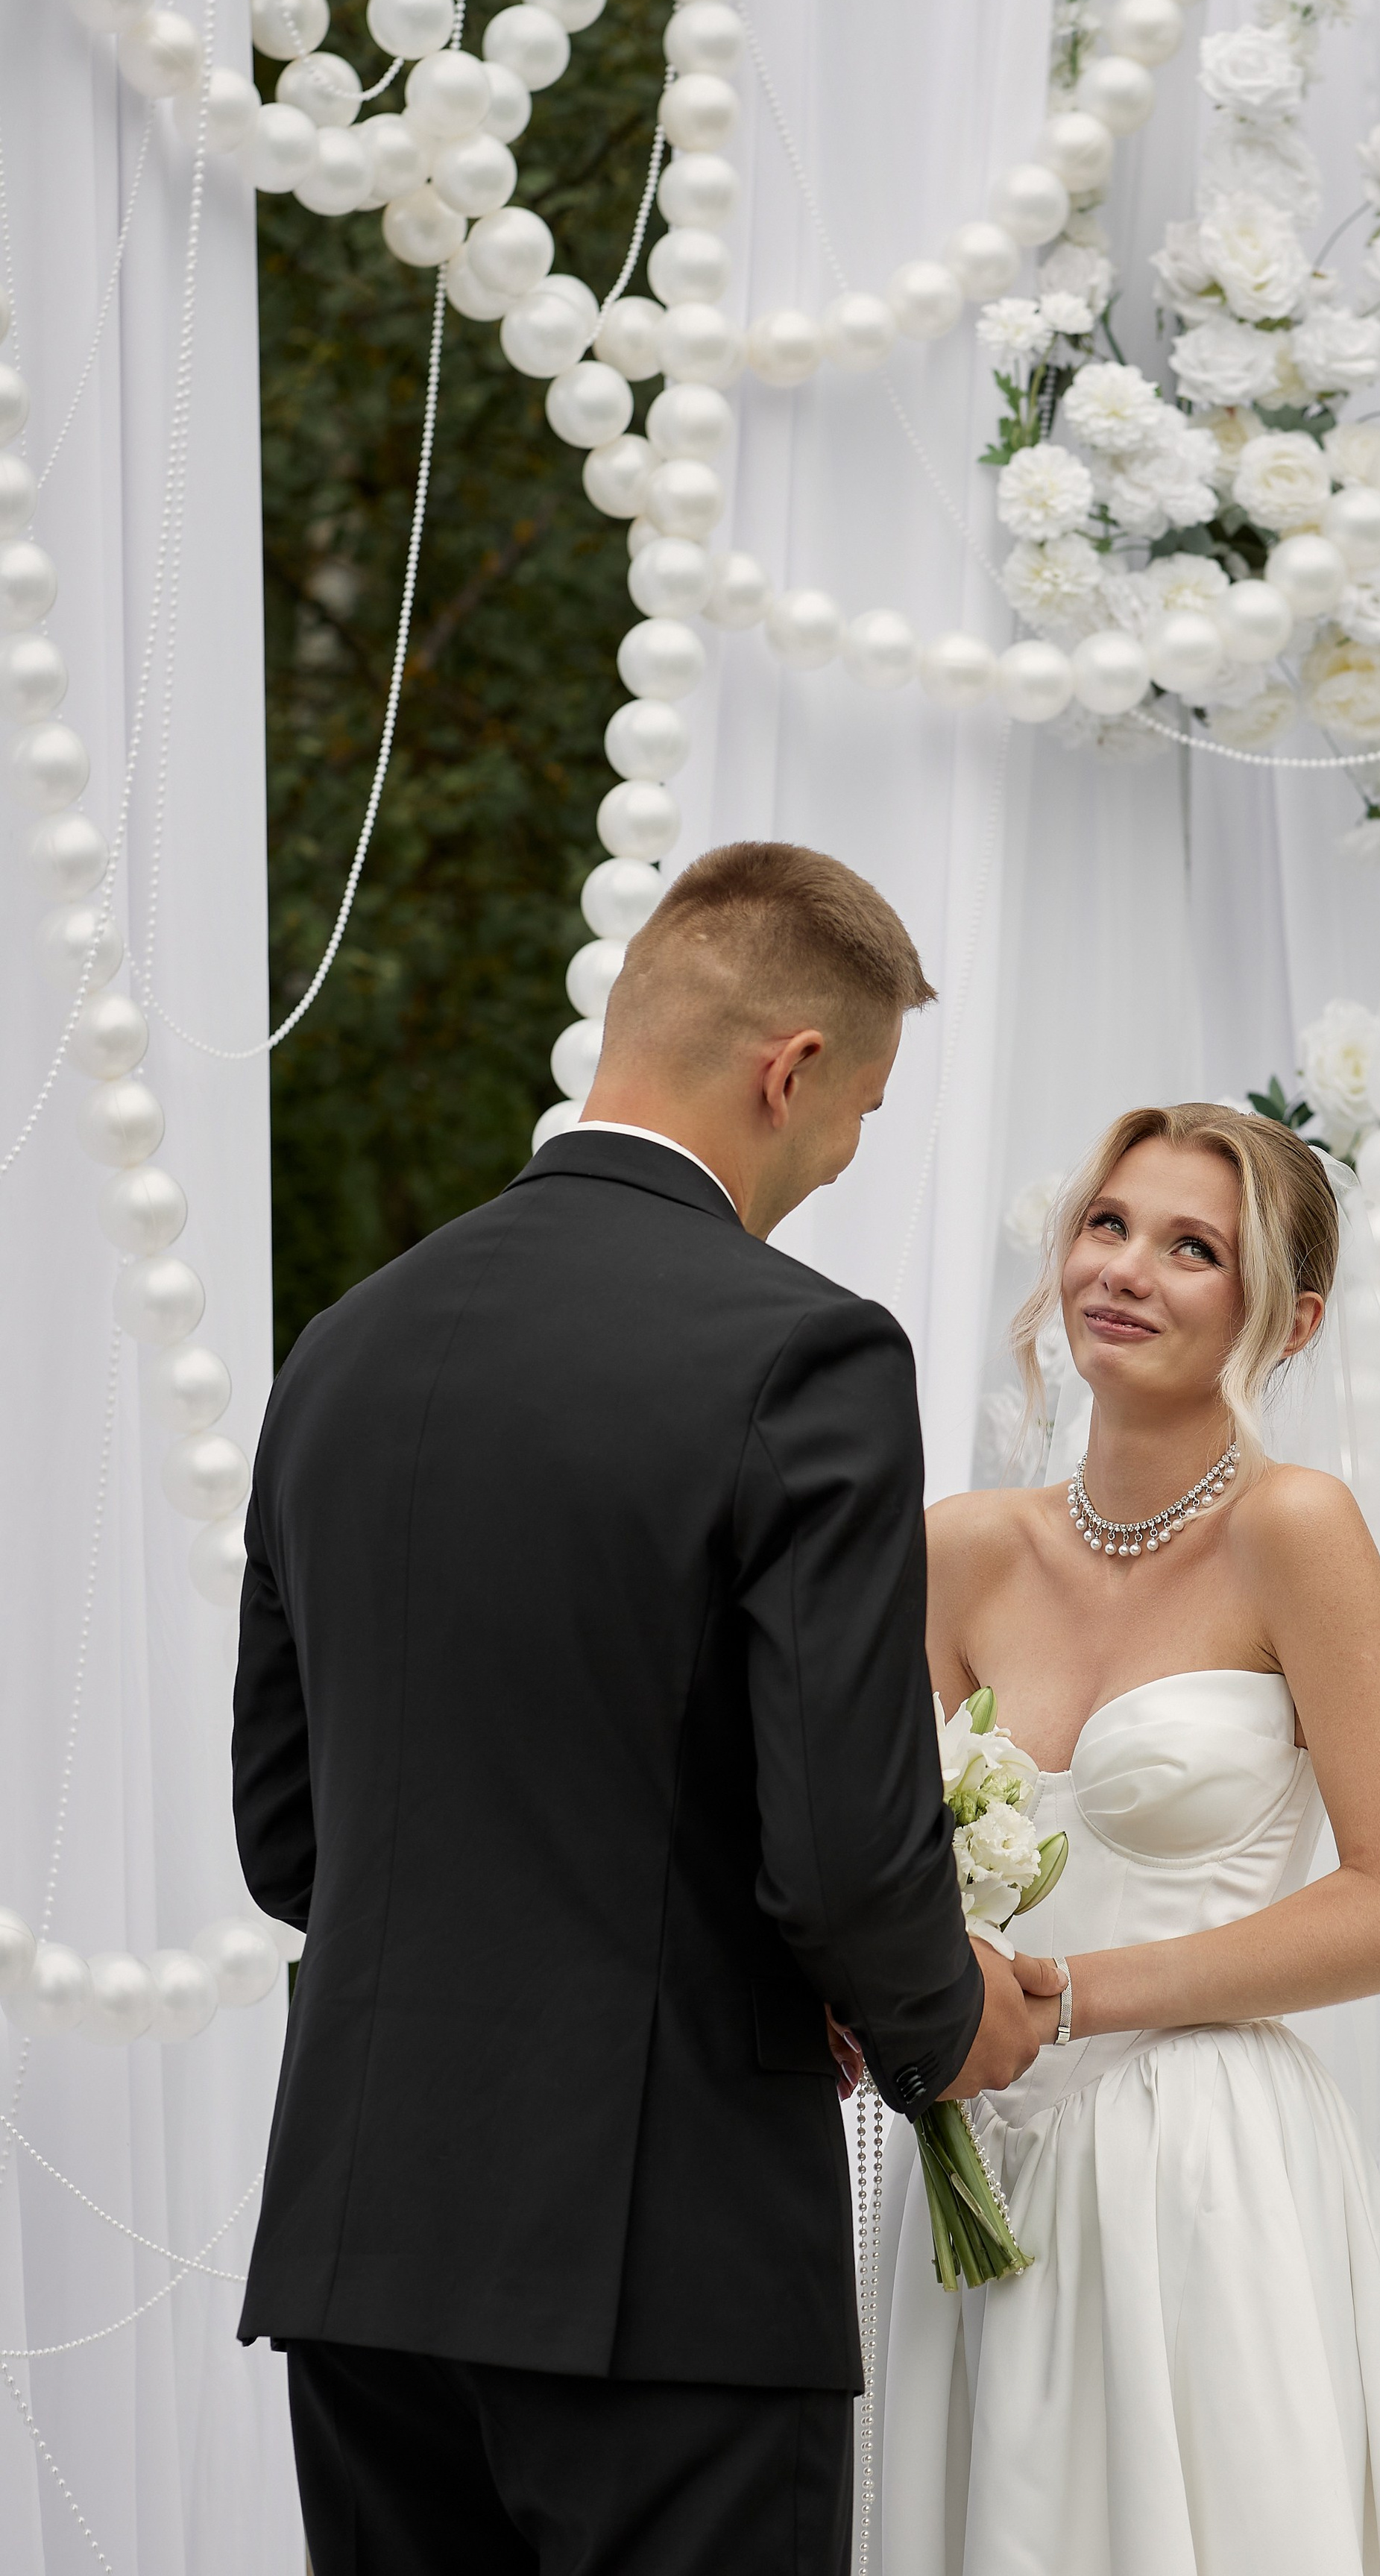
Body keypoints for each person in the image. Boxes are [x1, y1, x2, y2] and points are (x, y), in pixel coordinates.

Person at [230, 842, 1051, 2576]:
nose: (842, 1161)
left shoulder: (342, 1348)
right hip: (659, 2262)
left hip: (362, 2247)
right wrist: (936, 2015)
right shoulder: (802, 1355)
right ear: (789, 1069)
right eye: (863, 1111)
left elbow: (290, 1839)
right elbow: (835, 1850)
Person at [871, 1103, 1380, 2575]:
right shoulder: (958, 1546)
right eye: (1108, 1225)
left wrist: (1074, 1996)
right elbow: (885, 1842)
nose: (1125, 1270)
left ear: (1283, 1323)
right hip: (980, 2148)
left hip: (1204, 2167)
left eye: (1189, 1249)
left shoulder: (1294, 1530)